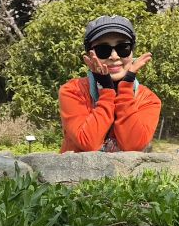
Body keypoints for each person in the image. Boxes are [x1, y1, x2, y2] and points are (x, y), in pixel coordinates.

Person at [58, 15, 161, 152]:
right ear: (90, 56)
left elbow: (133, 146)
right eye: (103, 50)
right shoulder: (73, 91)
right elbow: (88, 143)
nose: (114, 56)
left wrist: (126, 88)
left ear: (132, 52)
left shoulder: (148, 99)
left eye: (123, 48)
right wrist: (106, 91)